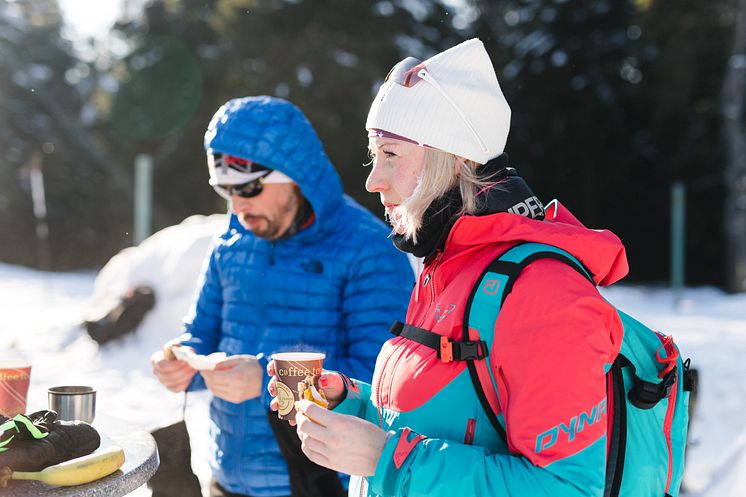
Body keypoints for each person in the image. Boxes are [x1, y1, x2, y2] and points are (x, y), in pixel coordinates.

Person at [268, 39, 630, 497]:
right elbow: (452, 422)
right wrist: (353, 403)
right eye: (373, 155)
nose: (372, 180)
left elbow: (569, 488)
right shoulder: (450, 266)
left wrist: (385, 460)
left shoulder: (544, 292)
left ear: (454, 161)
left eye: (392, 155)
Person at [151, 96, 414, 497]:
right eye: (226, 191)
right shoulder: (229, 244)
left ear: (294, 176)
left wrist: (263, 381)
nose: (237, 206)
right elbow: (201, 334)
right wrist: (183, 360)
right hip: (226, 480)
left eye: (249, 189)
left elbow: (383, 383)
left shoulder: (367, 248)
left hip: (323, 484)